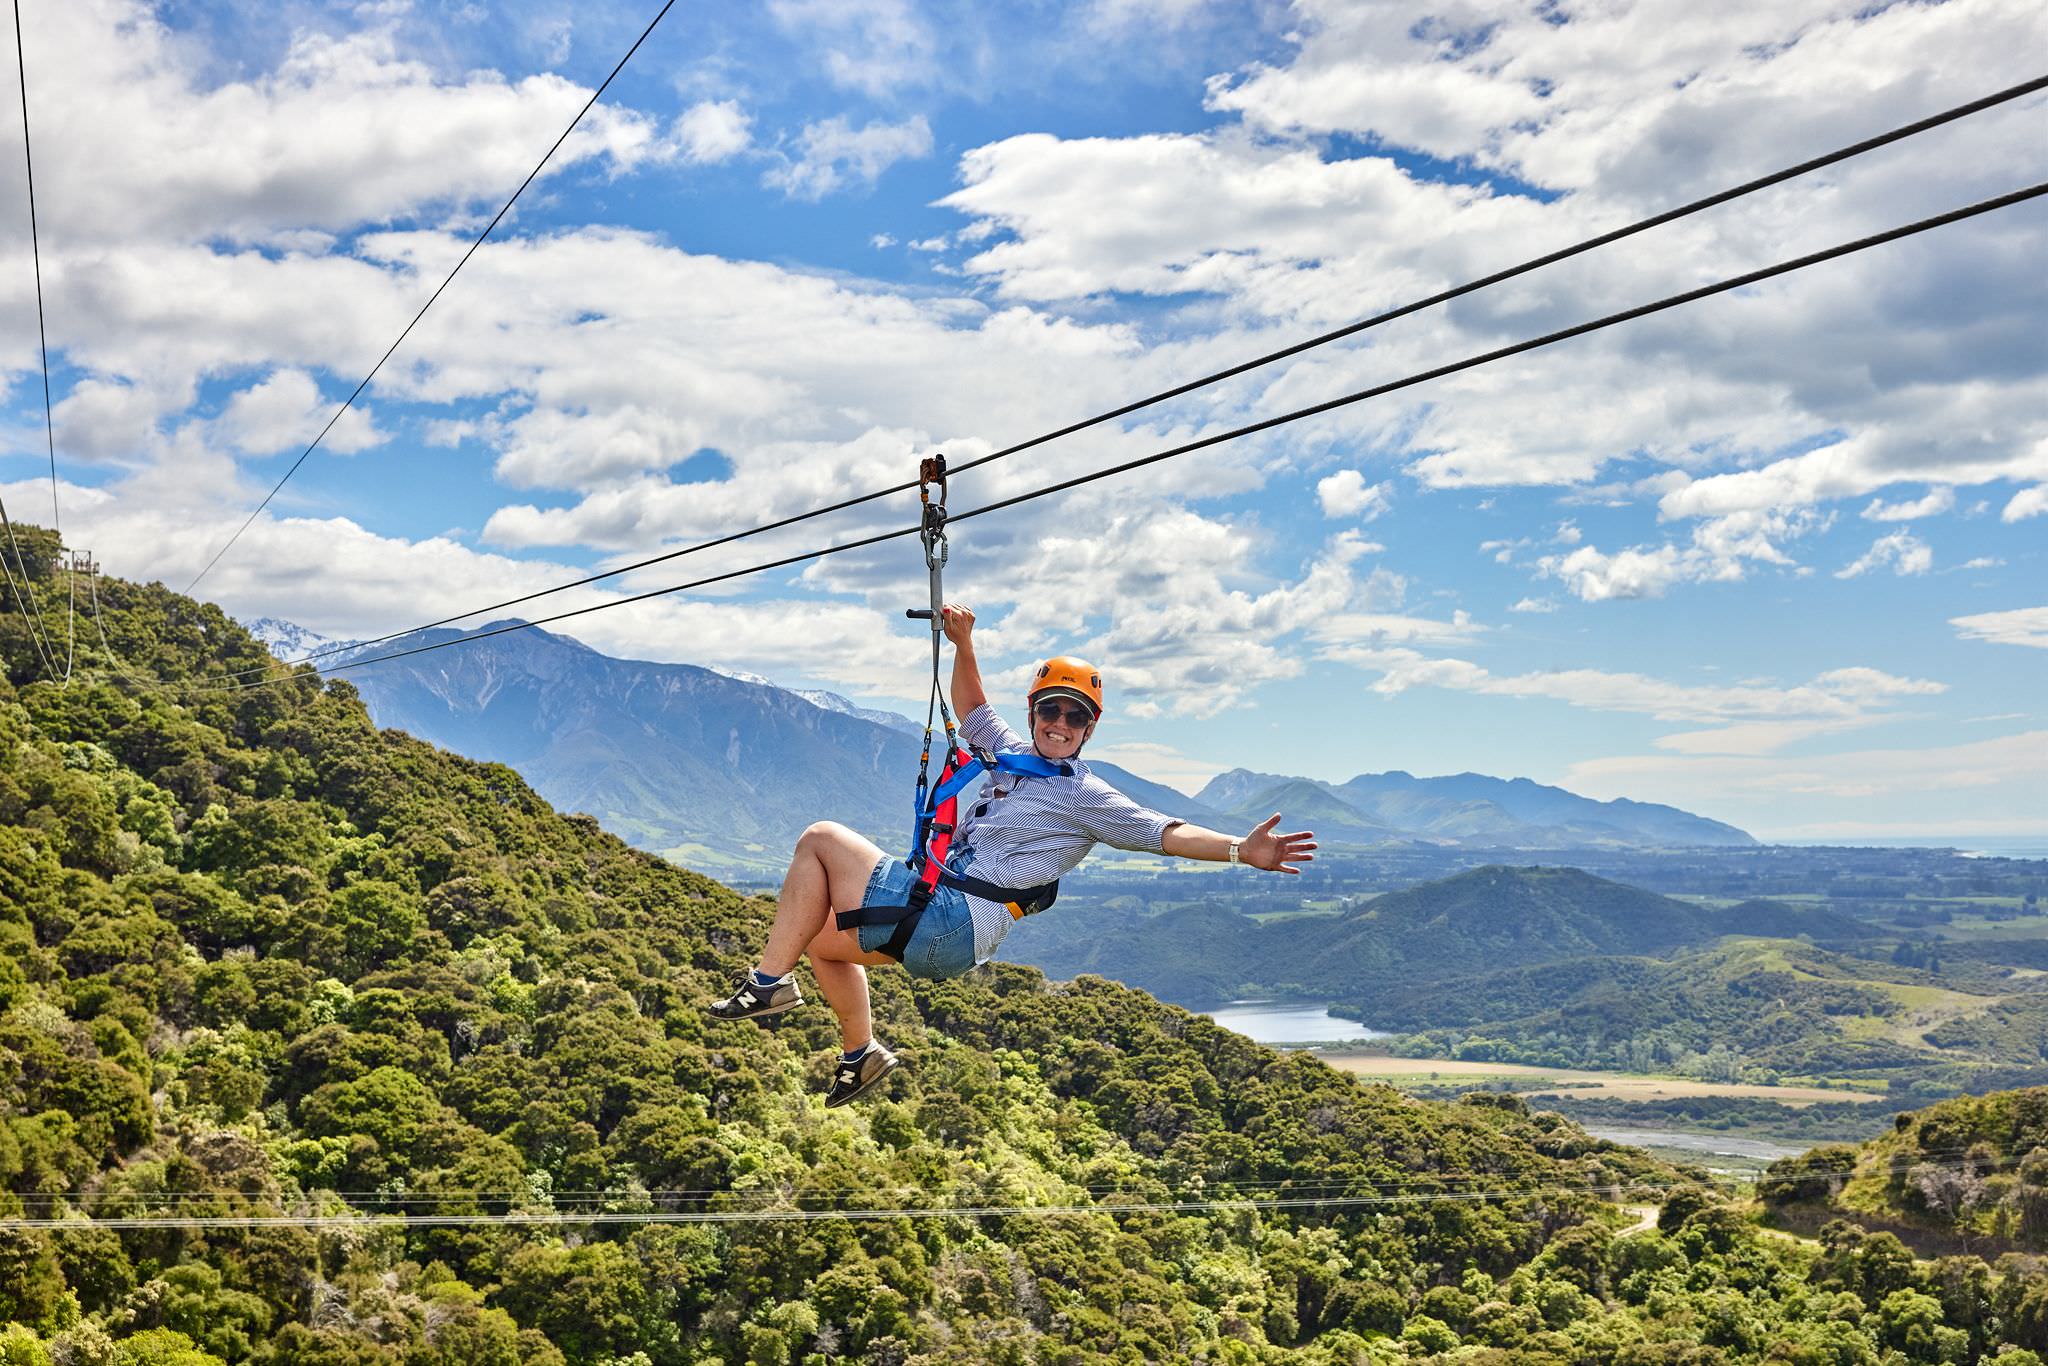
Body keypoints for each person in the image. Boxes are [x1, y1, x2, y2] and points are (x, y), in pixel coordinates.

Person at [708, 603, 1317, 1106]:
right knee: (817, 941)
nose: (1060, 723)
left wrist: (1239, 850)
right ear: (1033, 714)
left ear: (1089, 730)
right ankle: (860, 1053)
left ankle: (766, 983)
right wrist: (964, 643)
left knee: (820, 838)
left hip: (949, 918)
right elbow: (972, 708)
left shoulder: (1085, 795)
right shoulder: (1011, 757)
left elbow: (1164, 832)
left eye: (1075, 716)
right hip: (947, 935)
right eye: (1050, 709)